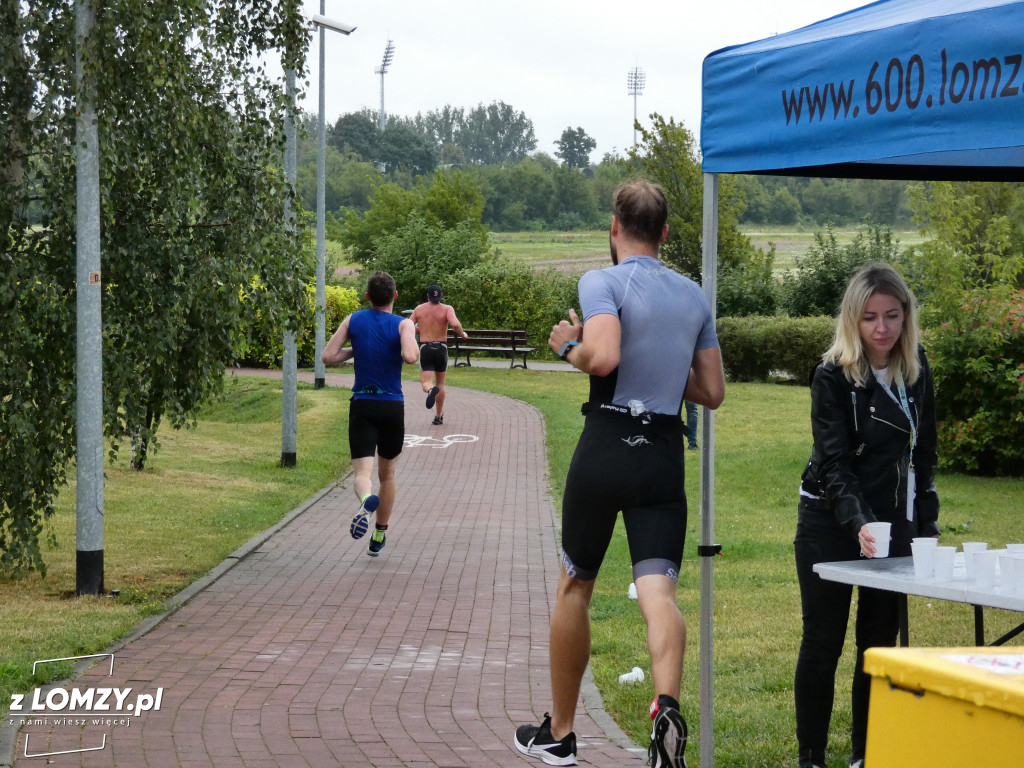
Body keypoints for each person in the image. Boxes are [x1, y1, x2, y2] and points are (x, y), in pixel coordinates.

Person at [513, 179, 725, 768]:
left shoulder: (602, 281)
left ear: (614, 228)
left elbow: (602, 356)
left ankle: (560, 734)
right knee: (659, 595)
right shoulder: (693, 296)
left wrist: (566, 346)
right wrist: (664, 362)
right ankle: (666, 710)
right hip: (660, 453)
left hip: (608, 442)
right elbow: (711, 391)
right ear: (663, 232)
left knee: (575, 586)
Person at [793, 263, 939, 768]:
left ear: (906, 317)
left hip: (892, 520)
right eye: (870, 317)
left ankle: (866, 754)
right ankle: (811, 756)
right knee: (823, 640)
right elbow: (833, 463)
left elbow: (925, 455)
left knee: (877, 643)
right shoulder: (831, 373)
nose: (882, 328)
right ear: (853, 320)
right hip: (827, 519)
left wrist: (926, 524)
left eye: (892, 316)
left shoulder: (916, 365)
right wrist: (857, 523)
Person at [322, 271, 419, 557]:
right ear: (395, 296)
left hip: (362, 404)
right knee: (387, 475)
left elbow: (328, 357)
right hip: (392, 406)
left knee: (362, 473)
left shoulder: (353, 320)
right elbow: (411, 357)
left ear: (367, 297)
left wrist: (358, 349)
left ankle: (366, 499)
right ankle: (379, 533)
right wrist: (407, 338)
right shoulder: (403, 324)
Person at [408, 283, 468, 426]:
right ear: (441, 296)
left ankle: (430, 390)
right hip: (441, 348)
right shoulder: (447, 308)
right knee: (441, 383)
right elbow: (455, 324)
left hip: (426, 348)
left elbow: (409, 326)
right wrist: (462, 334)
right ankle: (438, 416)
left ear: (427, 296)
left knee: (426, 383)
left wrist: (421, 331)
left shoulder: (419, 309)